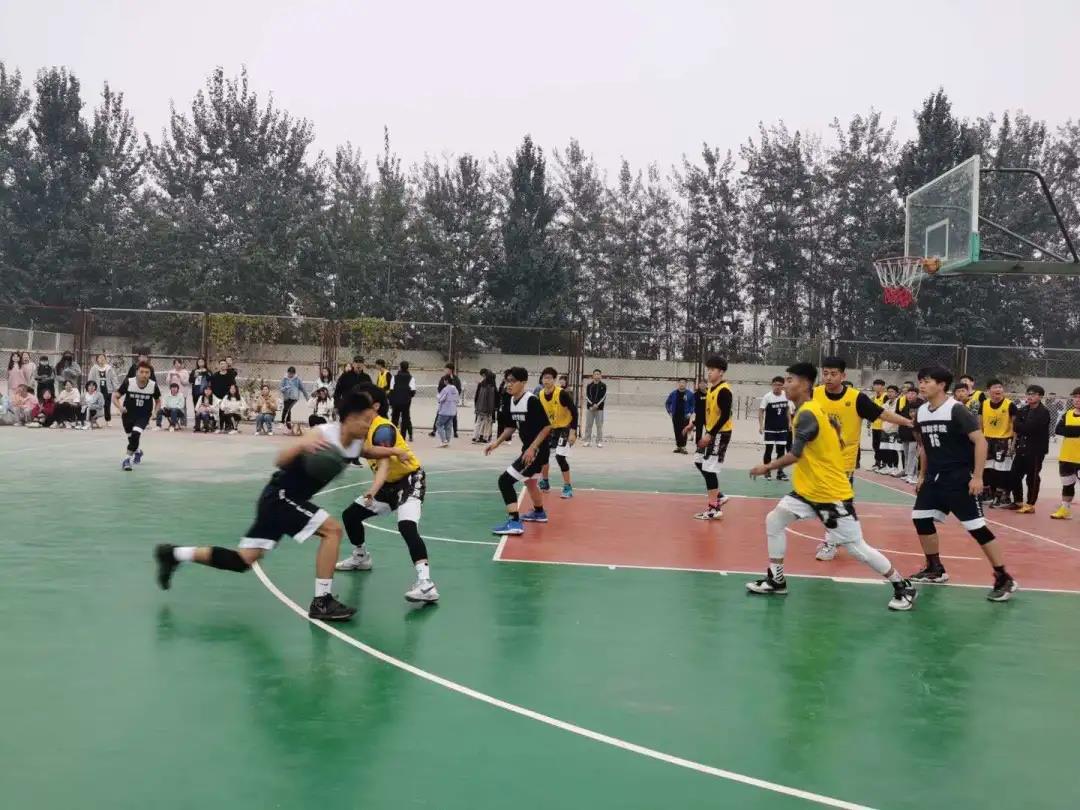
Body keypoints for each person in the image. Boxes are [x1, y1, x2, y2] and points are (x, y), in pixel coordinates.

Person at [153, 390, 403, 621]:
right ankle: (322, 601)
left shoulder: (356, 443)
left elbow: (370, 451)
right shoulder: (323, 434)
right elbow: (280, 459)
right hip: (281, 496)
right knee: (333, 531)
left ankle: (173, 554)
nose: (369, 425)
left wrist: (394, 452)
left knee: (242, 561)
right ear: (350, 418)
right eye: (366, 420)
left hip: (281, 501)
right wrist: (302, 445)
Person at [746, 362, 918, 611]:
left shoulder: (807, 413)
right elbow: (829, 429)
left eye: (790, 380)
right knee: (774, 520)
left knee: (856, 548)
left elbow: (795, 454)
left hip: (829, 494)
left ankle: (903, 585)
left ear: (804, 384)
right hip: (808, 491)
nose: (785, 385)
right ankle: (776, 580)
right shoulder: (812, 408)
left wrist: (766, 467)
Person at [908, 366, 1018, 601]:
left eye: (927, 381)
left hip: (959, 477)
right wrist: (922, 475)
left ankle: (1003, 577)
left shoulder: (956, 410)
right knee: (920, 518)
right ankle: (935, 568)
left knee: (976, 528)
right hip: (934, 478)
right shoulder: (922, 412)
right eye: (920, 381)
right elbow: (924, 447)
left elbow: (981, 442)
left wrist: (977, 477)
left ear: (941, 385)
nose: (922, 385)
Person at [334, 395, 440, 602]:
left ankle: (426, 584)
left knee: (406, 525)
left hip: (409, 480)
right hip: (388, 486)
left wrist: (373, 490)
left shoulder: (383, 429)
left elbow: (383, 465)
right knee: (351, 515)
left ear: (375, 406)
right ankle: (361, 557)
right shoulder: (361, 429)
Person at [810, 357, 911, 560]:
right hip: (819, 460)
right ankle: (840, 535)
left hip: (843, 462)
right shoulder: (814, 394)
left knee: (833, 502)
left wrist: (908, 422)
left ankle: (832, 542)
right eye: (825, 373)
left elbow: (882, 414)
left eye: (833, 374)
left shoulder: (857, 399)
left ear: (843, 375)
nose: (828, 377)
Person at [486, 367, 553, 535]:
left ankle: (514, 522)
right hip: (529, 449)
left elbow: (547, 427)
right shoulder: (510, 401)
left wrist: (532, 448)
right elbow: (510, 427)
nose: (509, 384)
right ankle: (539, 512)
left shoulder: (531, 401)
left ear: (523, 383)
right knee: (530, 482)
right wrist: (496, 443)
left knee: (504, 481)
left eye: (513, 381)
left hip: (537, 450)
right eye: (507, 381)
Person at [682, 356, 733, 521]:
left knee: (710, 469)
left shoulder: (724, 390)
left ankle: (714, 509)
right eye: (708, 370)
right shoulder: (711, 389)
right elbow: (706, 413)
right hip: (711, 432)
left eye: (712, 370)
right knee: (698, 460)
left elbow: (725, 416)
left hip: (720, 434)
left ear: (721, 372)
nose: (709, 373)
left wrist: (710, 434)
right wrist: (692, 424)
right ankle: (719, 496)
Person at [537, 367, 579, 499]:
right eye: (544, 378)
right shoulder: (540, 394)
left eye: (549, 378)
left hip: (565, 427)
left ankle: (567, 487)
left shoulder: (562, 394)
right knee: (543, 455)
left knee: (560, 457)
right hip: (551, 428)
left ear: (554, 380)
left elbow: (574, 412)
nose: (546, 380)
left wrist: (573, 432)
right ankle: (545, 482)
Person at [1010, 384, 1051, 513]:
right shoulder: (1023, 409)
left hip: (1035, 450)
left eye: (1033, 394)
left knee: (1032, 477)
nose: (1030, 396)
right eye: (1028, 394)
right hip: (1021, 448)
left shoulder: (1043, 412)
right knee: (1015, 474)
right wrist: (1022, 426)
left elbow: (1031, 428)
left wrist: (1022, 425)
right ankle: (1018, 501)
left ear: (1040, 396)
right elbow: (1015, 426)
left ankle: (1030, 504)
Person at [114, 362, 161, 471]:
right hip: (128, 415)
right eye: (142, 372)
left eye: (147, 372)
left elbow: (158, 401)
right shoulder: (129, 382)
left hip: (143, 415)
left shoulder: (153, 385)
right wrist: (120, 407)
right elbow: (115, 396)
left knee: (136, 434)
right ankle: (138, 452)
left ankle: (127, 459)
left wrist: (155, 412)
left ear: (150, 374)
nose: (144, 374)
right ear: (136, 372)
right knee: (131, 438)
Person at [978, 379, 1018, 508]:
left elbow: (1016, 426)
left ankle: (1000, 496)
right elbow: (980, 424)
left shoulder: (1009, 405)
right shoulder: (984, 404)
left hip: (1004, 440)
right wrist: (980, 440)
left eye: (1000, 387)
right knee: (987, 468)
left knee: (1002, 469)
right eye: (995, 387)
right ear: (989, 390)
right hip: (987, 439)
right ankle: (988, 493)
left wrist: (1013, 444)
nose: (998, 389)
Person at [1051, 387, 1080, 520]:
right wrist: (1075, 431)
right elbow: (1058, 430)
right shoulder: (1067, 414)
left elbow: (1066, 430)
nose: (1077, 400)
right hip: (1067, 456)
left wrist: (1069, 430)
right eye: (1075, 397)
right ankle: (1065, 509)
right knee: (1067, 484)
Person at [759, 376, 793, 480]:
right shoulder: (767, 397)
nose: (777, 387)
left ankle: (780, 473)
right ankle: (767, 471)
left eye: (779, 385)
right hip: (770, 428)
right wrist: (761, 425)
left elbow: (788, 410)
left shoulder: (786, 396)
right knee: (768, 450)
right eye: (775, 385)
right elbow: (761, 411)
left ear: (783, 386)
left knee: (781, 451)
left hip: (782, 428)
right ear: (772, 385)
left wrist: (790, 423)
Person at [876, 385, 904, 476]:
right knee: (885, 449)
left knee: (893, 449)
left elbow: (895, 415)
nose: (889, 393)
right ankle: (888, 466)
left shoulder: (898, 403)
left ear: (896, 393)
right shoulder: (886, 403)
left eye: (892, 392)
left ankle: (895, 467)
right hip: (885, 429)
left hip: (894, 429)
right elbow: (881, 414)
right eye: (888, 392)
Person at [431, 363, 463, 438]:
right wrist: (443, 395)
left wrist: (454, 398)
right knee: (439, 414)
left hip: (452, 402)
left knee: (453, 415)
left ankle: (455, 431)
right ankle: (434, 430)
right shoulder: (443, 378)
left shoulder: (456, 379)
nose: (445, 370)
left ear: (450, 370)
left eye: (446, 369)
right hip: (444, 401)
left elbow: (458, 389)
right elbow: (439, 388)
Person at [898, 384, 921, 484]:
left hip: (914, 435)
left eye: (912, 393)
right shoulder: (904, 404)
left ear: (917, 394)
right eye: (908, 393)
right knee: (906, 454)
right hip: (904, 433)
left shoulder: (921, 404)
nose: (910, 395)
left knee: (913, 455)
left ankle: (913, 474)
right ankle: (908, 473)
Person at [666, 378, 695, 454]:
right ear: (678, 384)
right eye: (680, 383)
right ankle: (678, 446)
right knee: (677, 431)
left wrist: (690, 412)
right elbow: (667, 403)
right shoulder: (673, 393)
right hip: (675, 415)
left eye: (683, 383)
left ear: (686, 384)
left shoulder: (690, 394)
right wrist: (670, 412)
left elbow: (693, 405)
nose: (682, 384)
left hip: (685, 416)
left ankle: (683, 447)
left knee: (684, 430)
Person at [89, 353, 119, 426]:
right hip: (98, 389)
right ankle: (95, 419)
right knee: (97, 405)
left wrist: (116, 387)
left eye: (103, 358)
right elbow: (91, 378)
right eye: (100, 358)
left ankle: (108, 420)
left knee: (107, 405)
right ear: (97, 360)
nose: (102, 359)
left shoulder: (109, 368)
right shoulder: (94, 368)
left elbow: (113, 378)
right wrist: (90, 387)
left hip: (107, 389)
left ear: (105, 359)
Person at [389, 360, 416, 441]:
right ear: (407, 368)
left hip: (396, 402)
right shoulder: (411, 378)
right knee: (405, 420)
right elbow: (413, 391)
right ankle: (402, 438)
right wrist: (407, 396)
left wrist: (392, 401)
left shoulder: (394, 377)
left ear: (400, 367)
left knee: (394, 419)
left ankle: (393, 437)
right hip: (406, 402)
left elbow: (391, 390)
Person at [279, 366, 308, 435]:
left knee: (290, 410)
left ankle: (288, 426)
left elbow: (302, 388)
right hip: (286, 397)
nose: (290, 375)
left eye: (292, 374)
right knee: (285, 410)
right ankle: (283, 423)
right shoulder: (284, 379)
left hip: (294, 398)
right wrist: (285, 388)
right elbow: (281, 388)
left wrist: (307, 397)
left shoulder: (297, 379)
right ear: (287, 372)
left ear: (294, 373)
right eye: (289, 373)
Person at [582, 369, 606, 448]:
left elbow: (603, 397)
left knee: (599, 425)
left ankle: (599, 441)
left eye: (598, 374)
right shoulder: (589, 385)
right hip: (590, 408)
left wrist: (597, 405)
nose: (597, 375)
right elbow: (587, 396)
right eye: (595, 374)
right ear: (593, 376)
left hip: (599, 409)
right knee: (588, 425)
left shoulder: (603, 385)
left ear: (600, 376)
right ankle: (587, 441)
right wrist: (592, 405)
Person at [473, 369, 498, 443]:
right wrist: (491, 409)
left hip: (479, 407)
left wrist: (476, 406)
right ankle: (485, 437)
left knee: (478, 422)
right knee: (487, 423)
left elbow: (477, 397)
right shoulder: (491, 387)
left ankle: (475, 436)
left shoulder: (481, 385)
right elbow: (490, 400)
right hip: (487, 409)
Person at [435, 374, 459, 447]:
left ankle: (444, 440)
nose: (444, 381)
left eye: (444, 380)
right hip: (453, 411)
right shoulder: (455, 389)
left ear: (447, 381)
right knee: (448, 426)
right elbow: (457, 399)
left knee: (439, 424)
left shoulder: (446, 389)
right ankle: (447, 441)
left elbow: (441, 399)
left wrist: (438, 396)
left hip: (445, 410)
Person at [868, 379, 887, 470]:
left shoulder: (886, 396)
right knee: (875, 445)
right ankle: (877, 462)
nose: (876, 387)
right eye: (875, 385)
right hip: (875, 426)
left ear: (883, 386)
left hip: (883, 427)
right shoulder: (873, 397)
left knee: (883, 446)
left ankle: (884, 463)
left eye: (878, 385)